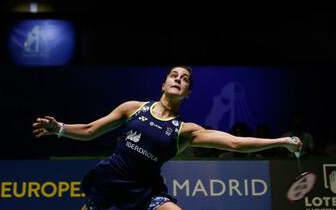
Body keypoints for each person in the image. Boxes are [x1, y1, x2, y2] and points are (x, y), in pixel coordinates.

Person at [32, 66, 302, 210]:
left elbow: (234, 143)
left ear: (188, 93)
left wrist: (281, 142)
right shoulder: (133, 108)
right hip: (111, 184)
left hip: (147, 191)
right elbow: (91, 130)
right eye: (173, 75)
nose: (178, 79)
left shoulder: (185, 131)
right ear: (163, 84)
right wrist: (61, 128)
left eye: (184, 79)